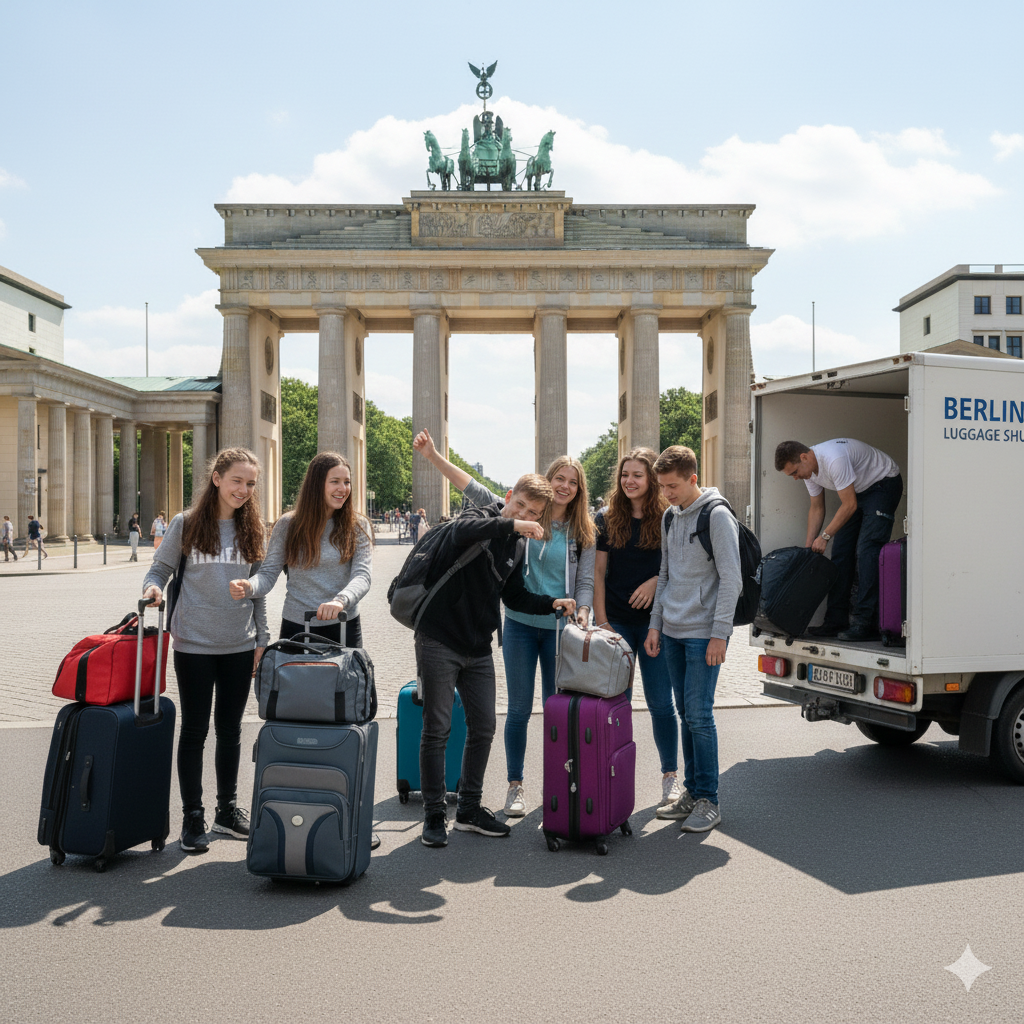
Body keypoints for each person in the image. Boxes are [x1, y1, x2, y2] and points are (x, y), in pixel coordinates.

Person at [413, 430, 595, 817]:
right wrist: (433, 456)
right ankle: (514, 785)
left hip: (557, 628)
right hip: (513, 627)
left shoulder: (581, 531)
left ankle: (556, 784)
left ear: (579, 490)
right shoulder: (517, 515)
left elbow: (583, 580)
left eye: (572, 482)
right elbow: (473, 492)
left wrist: (578, 609)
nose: (565, 486)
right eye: (559, 479)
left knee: (555, 710)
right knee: (514, 712)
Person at [142, 448, 269, 854]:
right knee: (195, 730)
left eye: (250, 483)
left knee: (230, 730)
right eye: (237, 481)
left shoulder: (253, 529)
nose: (244, 490)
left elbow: (259, 592)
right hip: (194, 644)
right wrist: (153, 589)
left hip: (239, 643)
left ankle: (227, 810)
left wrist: (261, 640)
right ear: (216, 478)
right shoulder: (186, 523)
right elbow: (159, 569)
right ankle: (192, 817)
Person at [644, 446, 741, 835]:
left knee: (699, 715)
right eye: (662, 486)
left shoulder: (716, 515)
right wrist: (655, 624)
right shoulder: (670, 516)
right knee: (685, 713)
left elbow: (731, 579)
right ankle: (691, 791)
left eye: (673, 486)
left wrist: (720, 634)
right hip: (671, 630)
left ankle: (710, 801)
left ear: (693, 479)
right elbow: (664, 574)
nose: (666, 493)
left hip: (704, 634)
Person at [591, 447, 681, 811]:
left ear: (651, 480)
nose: (629, 481)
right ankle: (615, 777)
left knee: (661, 703)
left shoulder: (670, 517)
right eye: (625, 474)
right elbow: (597, 574)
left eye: (637, 475)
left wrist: (656, 581)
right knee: (619, 705)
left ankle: (670, 778)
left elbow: (679, 566)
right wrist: (602, 622)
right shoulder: (606, 517)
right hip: (616, 622)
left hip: (656, 624)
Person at [229, 451, 372, 650]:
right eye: (335, 481)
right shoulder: (288, 524)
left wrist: (341, 600)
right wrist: (249, 586)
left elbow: (362, 576)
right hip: (297, 626)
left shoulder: (359, 525)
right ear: (316, 484)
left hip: (344, 624)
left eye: (347, 482)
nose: (343, 488)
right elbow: (268, 573)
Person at [775, 438, 903, 641]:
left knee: (866, 551)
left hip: (883, 483)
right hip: (859, 491)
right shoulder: (809, 472)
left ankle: (865, 623)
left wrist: (824, 536)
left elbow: (849, 505)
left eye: (794, 472)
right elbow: (817, 508)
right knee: (841, 551)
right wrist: (809, 549)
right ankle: (835, 620)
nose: (795, 478)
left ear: (804, 457)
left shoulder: (834, 459)